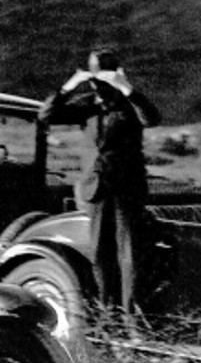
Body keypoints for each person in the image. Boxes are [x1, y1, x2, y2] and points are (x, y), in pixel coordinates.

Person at [40, 49, 163, 314]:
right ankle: (109, 315)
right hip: (96, 188)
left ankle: (133, 320)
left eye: (102, 77)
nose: (98, 85)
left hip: (126, 188)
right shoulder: (89, 104)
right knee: (100, 253)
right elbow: (46, 115)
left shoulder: (129, 103)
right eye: (95, 78)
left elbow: (151, 118)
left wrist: (126, 88)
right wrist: (69, 86)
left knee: (128, 253)